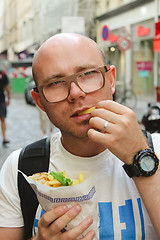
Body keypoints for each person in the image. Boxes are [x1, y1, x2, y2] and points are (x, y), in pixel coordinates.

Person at [0, 33, 160, 240]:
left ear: (111, 80)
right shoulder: (20, 169)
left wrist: (141, 158)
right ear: (39, 102)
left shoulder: (156, 149)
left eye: (87, 73)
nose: (75, 92)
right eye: (56, 83)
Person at [0, 70, 10, 146]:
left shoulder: (2, 73)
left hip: (1, 100)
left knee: (2, 119)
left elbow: (7, 86)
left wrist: (9, 98)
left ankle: (4, 138)